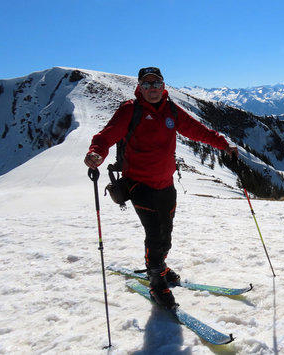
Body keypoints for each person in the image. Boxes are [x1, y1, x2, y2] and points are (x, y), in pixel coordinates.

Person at [84, 67, 238, 308]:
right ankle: (157, 284)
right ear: (140, 87)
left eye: (156, 84)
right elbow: (107, 135)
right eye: (147, 85)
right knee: (155, 234)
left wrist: (223, 145)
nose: (152, 89)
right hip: (138, 183)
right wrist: (96, 154)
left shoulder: (171, 111)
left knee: (165, 234)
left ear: (163, 85)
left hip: (166, 183)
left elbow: (198, 131)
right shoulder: (130, 110)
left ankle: (159, 266)